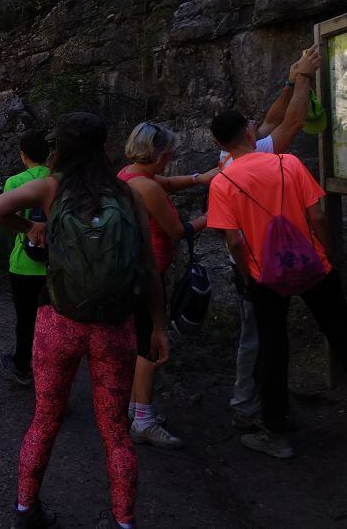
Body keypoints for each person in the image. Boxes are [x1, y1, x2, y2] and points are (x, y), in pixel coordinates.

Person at [0, 113, 168, 529]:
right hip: (114, 328)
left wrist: (31, 226)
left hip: (58, 322)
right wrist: (157, 327)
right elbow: (149, 266)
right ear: (105, 145)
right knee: (115, 430)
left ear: (59, 149)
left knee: (45, 418)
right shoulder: (128, 193)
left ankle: (27, 511)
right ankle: (122, 521)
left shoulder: (52, 187)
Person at [207, 109, 347, 460]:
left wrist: (247, 273)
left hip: (264, 274)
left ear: (220, 144)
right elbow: (316, 216)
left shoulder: (223, 182)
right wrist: (328, 254)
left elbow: (235, 242)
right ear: (250, 134)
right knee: (341, 330)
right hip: (314, 265)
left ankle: (277, 432)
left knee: (272, 347)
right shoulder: (288, 163)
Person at [219, 45, 321, 429]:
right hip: (264, 266)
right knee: (258, 338)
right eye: (250, 125)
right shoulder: (251, 157)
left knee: (260, 335)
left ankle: (253, 402)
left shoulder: (235, 154)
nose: (256, 127)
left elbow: (272, 120)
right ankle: (245, 404)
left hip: (261, 263)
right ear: (243, 134)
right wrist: (306, 77)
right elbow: (291, 124)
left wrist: (288, 81)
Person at [117, 123, 215, 449]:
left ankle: (134, 406)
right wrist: (213, 215)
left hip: (131, 270)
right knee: (150, 343)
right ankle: (143, 419)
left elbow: (168, 183)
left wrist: (202, 176)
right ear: (157, 153)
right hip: (150, 270)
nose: (171, 158)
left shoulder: (129, 174)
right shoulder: (147, 186)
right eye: (168, 152)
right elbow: (177, 230)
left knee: (139, 337)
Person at [0, 131, 51, 387]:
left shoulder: (16, 182)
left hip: (24, 262)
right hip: (56, 265)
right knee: (53, 325)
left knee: (26, 319)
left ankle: (22, 365)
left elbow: (7, 218)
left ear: (23, 155)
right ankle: (51, 376)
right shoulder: (59, 181)